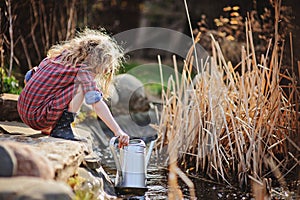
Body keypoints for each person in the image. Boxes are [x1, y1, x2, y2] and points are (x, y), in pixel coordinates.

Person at [17, 28, 129, 148]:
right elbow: (96, 103)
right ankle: (62, 128)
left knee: (36, 73)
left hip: (22, 110)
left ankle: (50, 127)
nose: (106, 71)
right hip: (37, 119)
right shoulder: (83, 71)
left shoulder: (59, 57)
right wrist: (118, 131)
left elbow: (30, 76)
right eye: (106, 66)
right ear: (98, 61)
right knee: (81, 87)